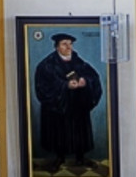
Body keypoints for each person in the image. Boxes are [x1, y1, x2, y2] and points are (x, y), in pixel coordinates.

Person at [35, 32, 104, 172]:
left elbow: (93, 77)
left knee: (79, 131)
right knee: (59, 132)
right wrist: (65, 86)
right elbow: (43, 86)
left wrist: (85, 81)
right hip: (58, 107)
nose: (68, 47)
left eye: (70, 44)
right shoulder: (47, 64)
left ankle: (80, 157)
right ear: (56, 47)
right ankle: (59, 158)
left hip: (77, 105)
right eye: (64, 44)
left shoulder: (79, 61)